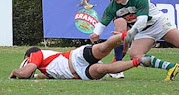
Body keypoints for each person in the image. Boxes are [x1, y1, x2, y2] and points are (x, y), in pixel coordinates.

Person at [9, 33, 151, 80]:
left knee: (102, 48)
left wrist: (15, 72)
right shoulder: (45, 68)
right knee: (104, 68)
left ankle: (127, 34)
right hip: (81, 72)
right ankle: (139, 61)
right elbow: (43, 75)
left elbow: (25, 73)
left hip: (75, 57)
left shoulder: (36, 54)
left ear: (28, 56)